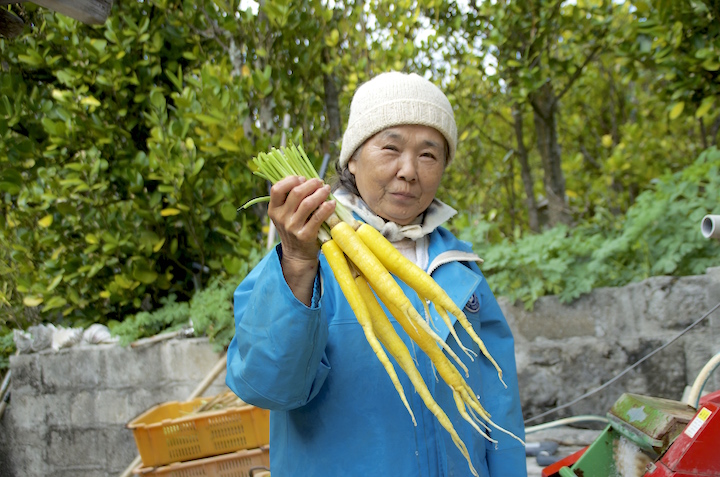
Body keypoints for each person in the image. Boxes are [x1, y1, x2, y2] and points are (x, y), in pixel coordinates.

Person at [226, 71, 527, 477]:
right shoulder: (299, 265)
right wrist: (298, 261)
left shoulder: (461, 269)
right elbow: (266, 386)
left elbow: (499, 404)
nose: (409, 171)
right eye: (391, 148)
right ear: (351, 158)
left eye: (429, 154)